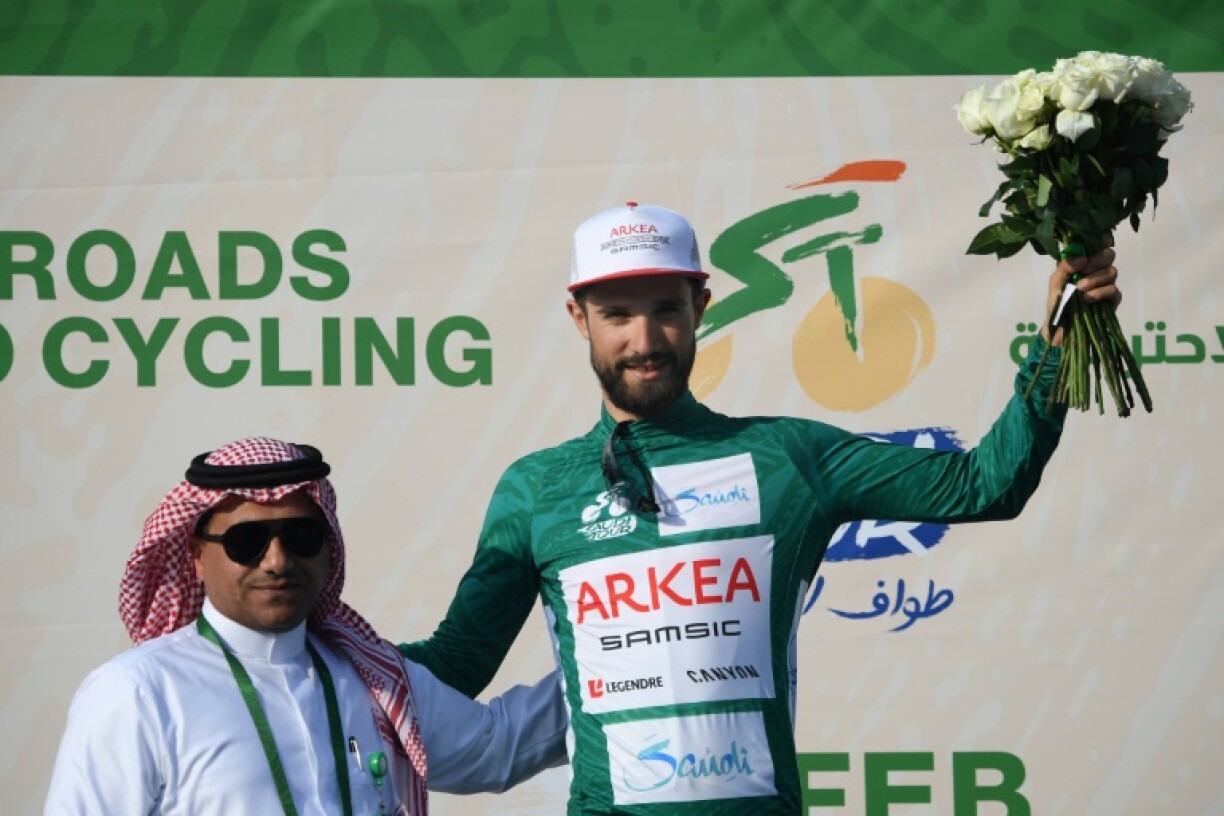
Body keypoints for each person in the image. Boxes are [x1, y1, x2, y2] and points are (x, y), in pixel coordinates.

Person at [401, 202, 1122, 815]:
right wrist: (312, 638)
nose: (644, 341)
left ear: (701, 308)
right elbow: (456, 665)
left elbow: (982, 487)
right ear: (578, 317)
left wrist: (1058, 344)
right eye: (616, 314)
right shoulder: (536, 489)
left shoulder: (787, 457)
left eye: (666, 311)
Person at [44, 437, 567, 816]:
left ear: (328, 546)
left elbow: (499, 747)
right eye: (247, 542)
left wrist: (626, 668)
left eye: (300, 536)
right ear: (198, 558)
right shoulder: (138, 693)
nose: (277, 561)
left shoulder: (372, 679)